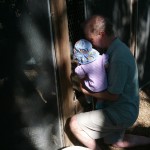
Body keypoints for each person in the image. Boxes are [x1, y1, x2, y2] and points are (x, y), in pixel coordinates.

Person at [69, 15, 150, 150]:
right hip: (126, 109)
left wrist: (86, 91)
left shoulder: (118, 58)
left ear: (101, 34)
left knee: (74, 124)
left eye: (91, 39)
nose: (91, 44)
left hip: (122, 112)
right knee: (115, 142)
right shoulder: (116, 49)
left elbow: (113, 96)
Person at [73, 39, 109, 109]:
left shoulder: (83, 67)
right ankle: (100, 104)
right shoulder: (100, 58)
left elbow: (80, 75)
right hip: (105, 85)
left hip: (93, 88)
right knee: (100, 99)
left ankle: (88, 99)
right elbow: (106, 63)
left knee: (83, 83)